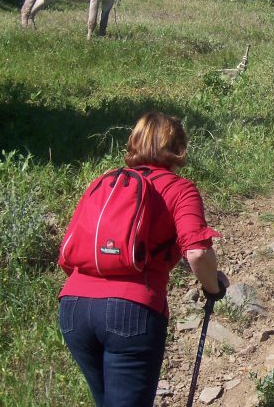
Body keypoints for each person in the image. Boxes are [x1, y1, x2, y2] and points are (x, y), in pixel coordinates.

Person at [58, 112, 229, 407]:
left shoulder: (103, 183)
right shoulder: (179, 189)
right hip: (131, 310)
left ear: (134, 142)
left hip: (74, 308)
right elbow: (197, 252)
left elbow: (69, 249)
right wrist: (213, 287)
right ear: (179, 148)